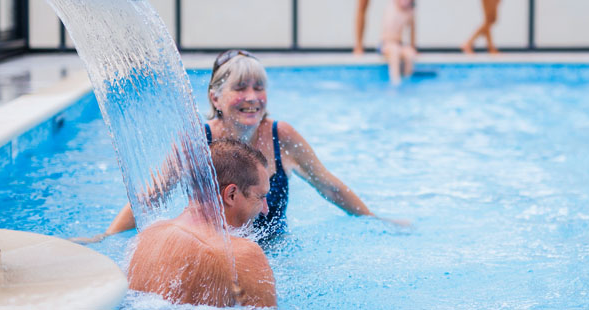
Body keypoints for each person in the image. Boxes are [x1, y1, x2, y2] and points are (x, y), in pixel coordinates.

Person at [100, 49, 408, 244]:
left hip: (273, 252)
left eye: (259, 88)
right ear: (215, 98)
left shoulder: (281, 136)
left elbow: (329, 187)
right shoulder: (197, 141)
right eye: (241, 87)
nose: (252, 97)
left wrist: (373, 220)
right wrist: (107, 239)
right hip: (215, 251)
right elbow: (152, 197)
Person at [127, 139, 276, 307]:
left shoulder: (147, 236)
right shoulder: (240, 255)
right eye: (261, 197)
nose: (266, 209)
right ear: (231, 194)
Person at [380, 0, 417, 85]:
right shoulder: (391, 6)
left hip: (399, 43)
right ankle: (395, 81)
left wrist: (413, 46)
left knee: (410, 53)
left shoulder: (409, 12)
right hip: (386, 44)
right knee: (394, 51)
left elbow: (412, 30)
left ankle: (408, 80)